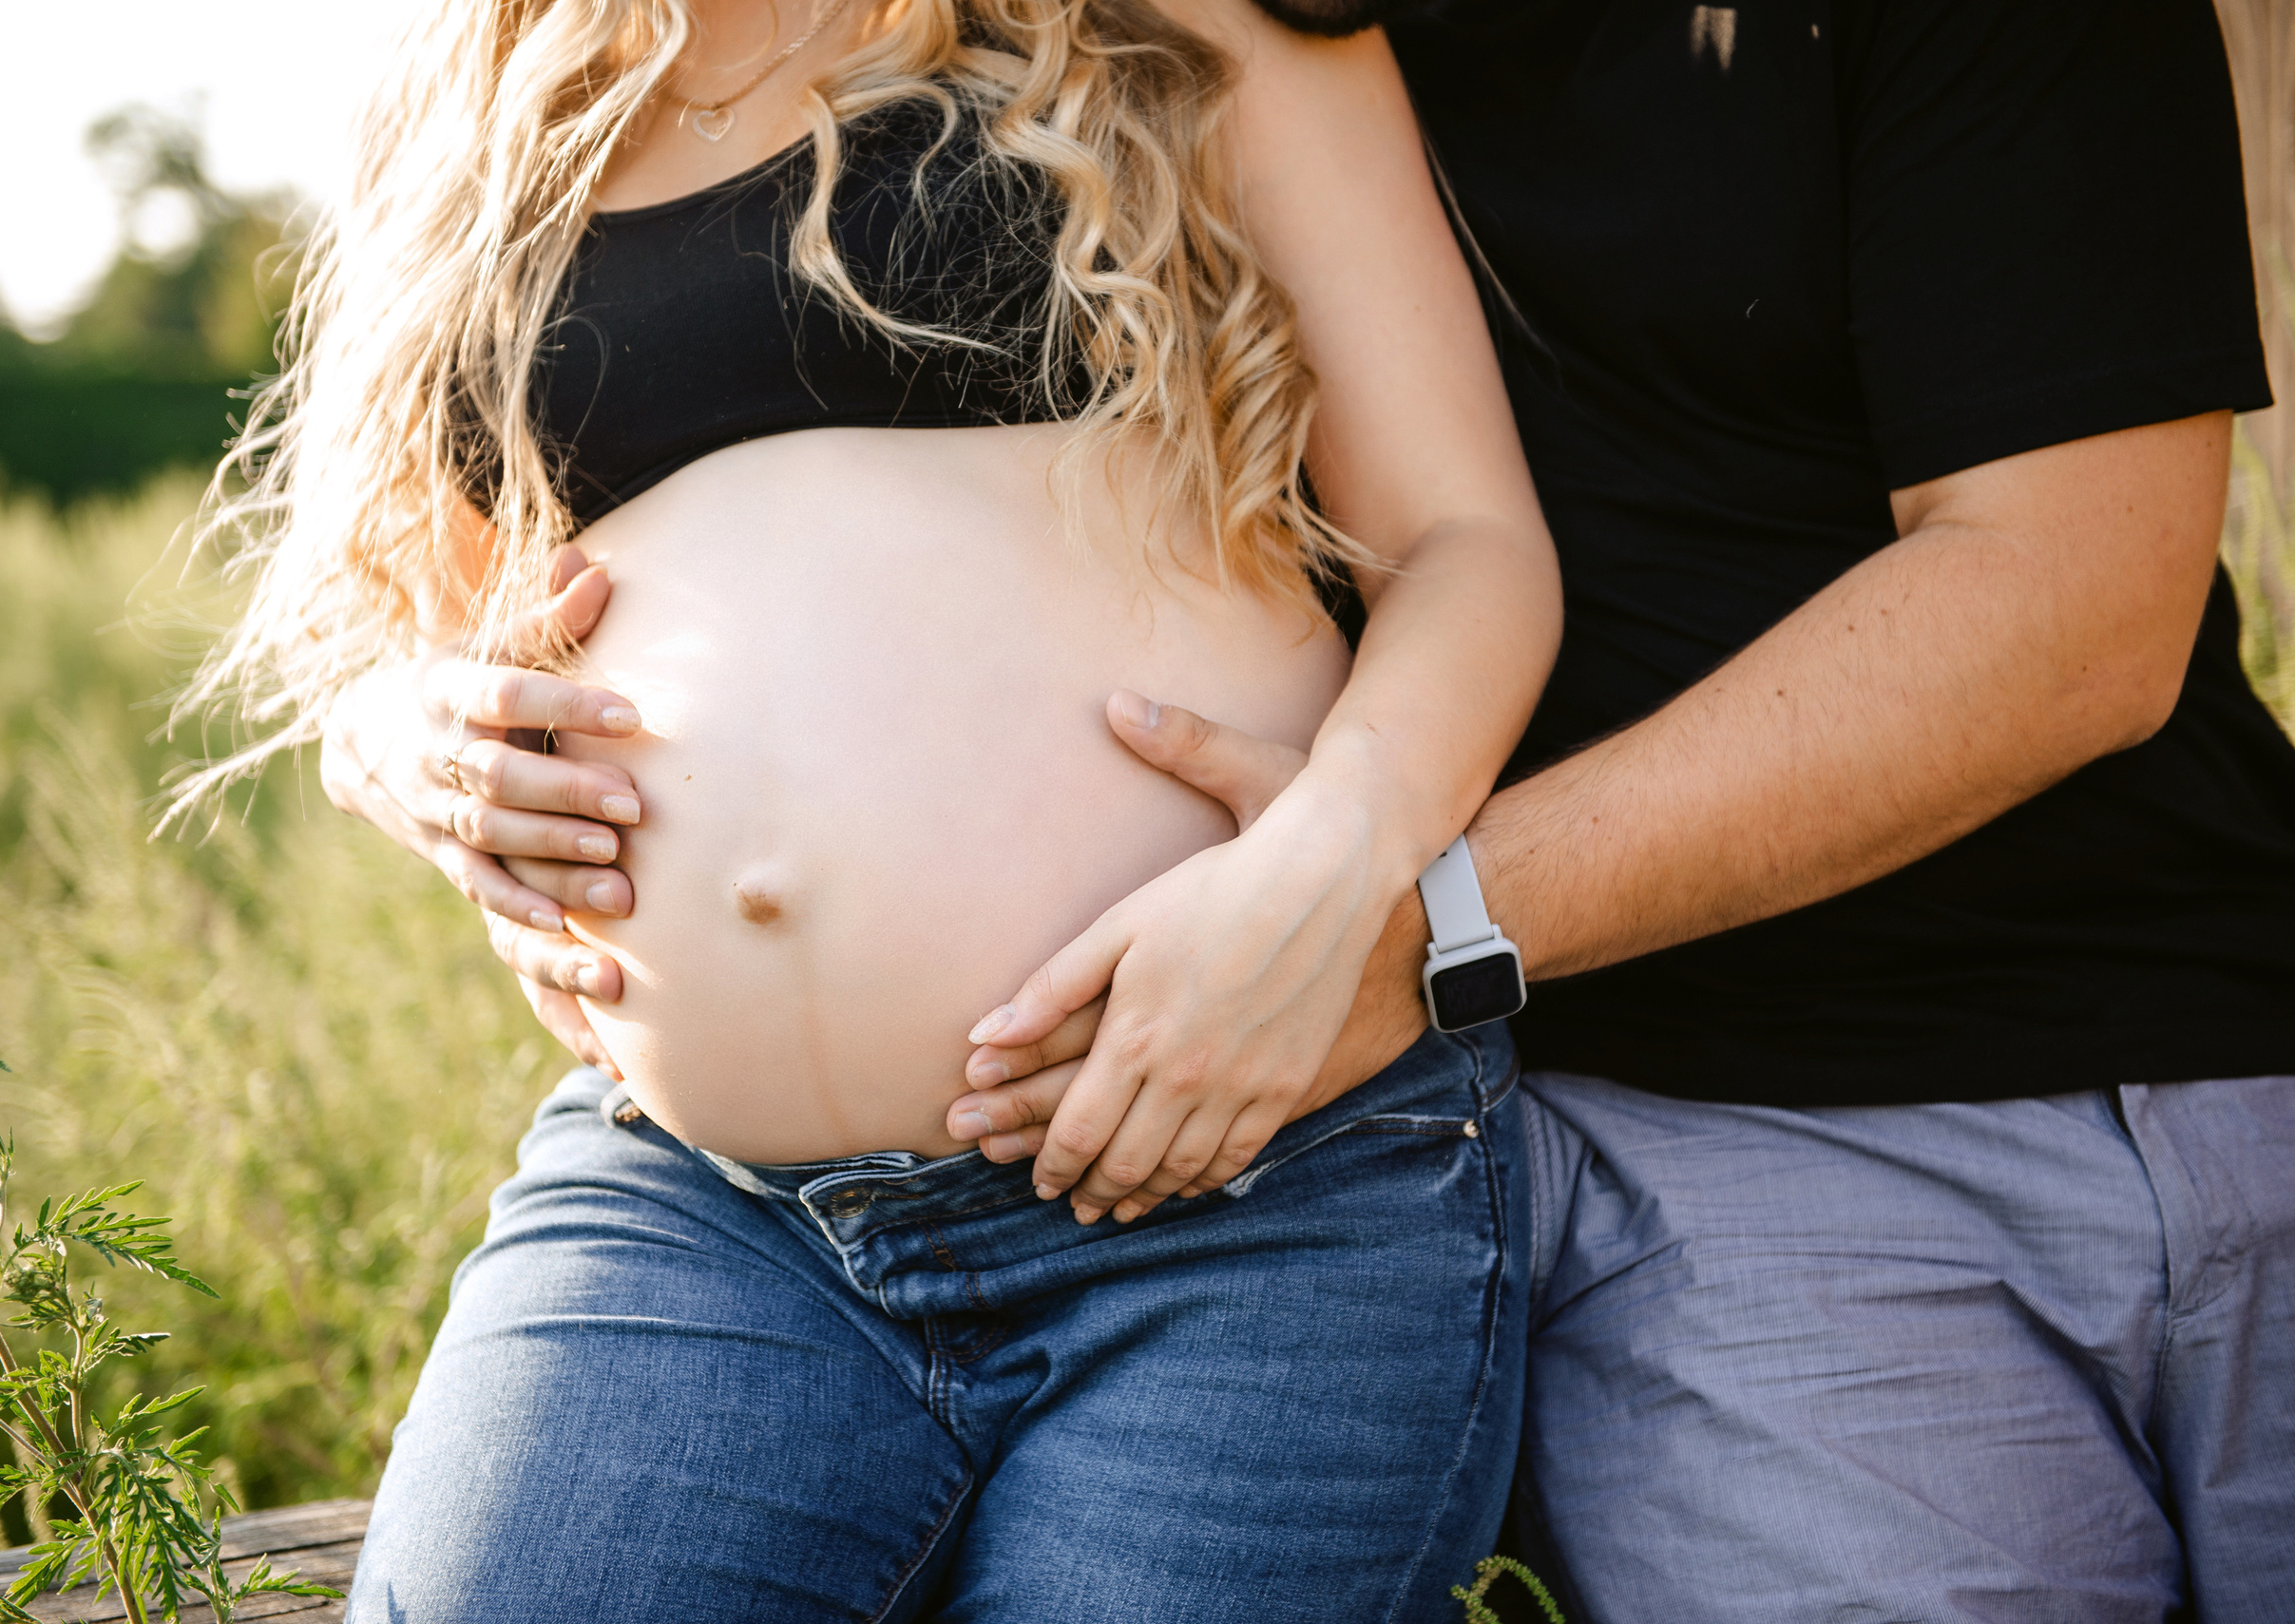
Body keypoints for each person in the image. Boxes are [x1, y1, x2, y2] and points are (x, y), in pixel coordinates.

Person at [189, 0, 1561, 1613]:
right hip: (711, 1203)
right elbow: (427, 618)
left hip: (1244, 1174)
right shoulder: (475, 93)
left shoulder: (1180, 21)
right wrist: (396, 741)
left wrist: (1343, 865)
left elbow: (1468, 540)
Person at [943, 0, 2295, 1618]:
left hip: (2230, 1044)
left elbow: (2080, 602)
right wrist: (574, 733)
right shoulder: (1081, 44)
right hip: (1729, 1148)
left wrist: (1411, 927)